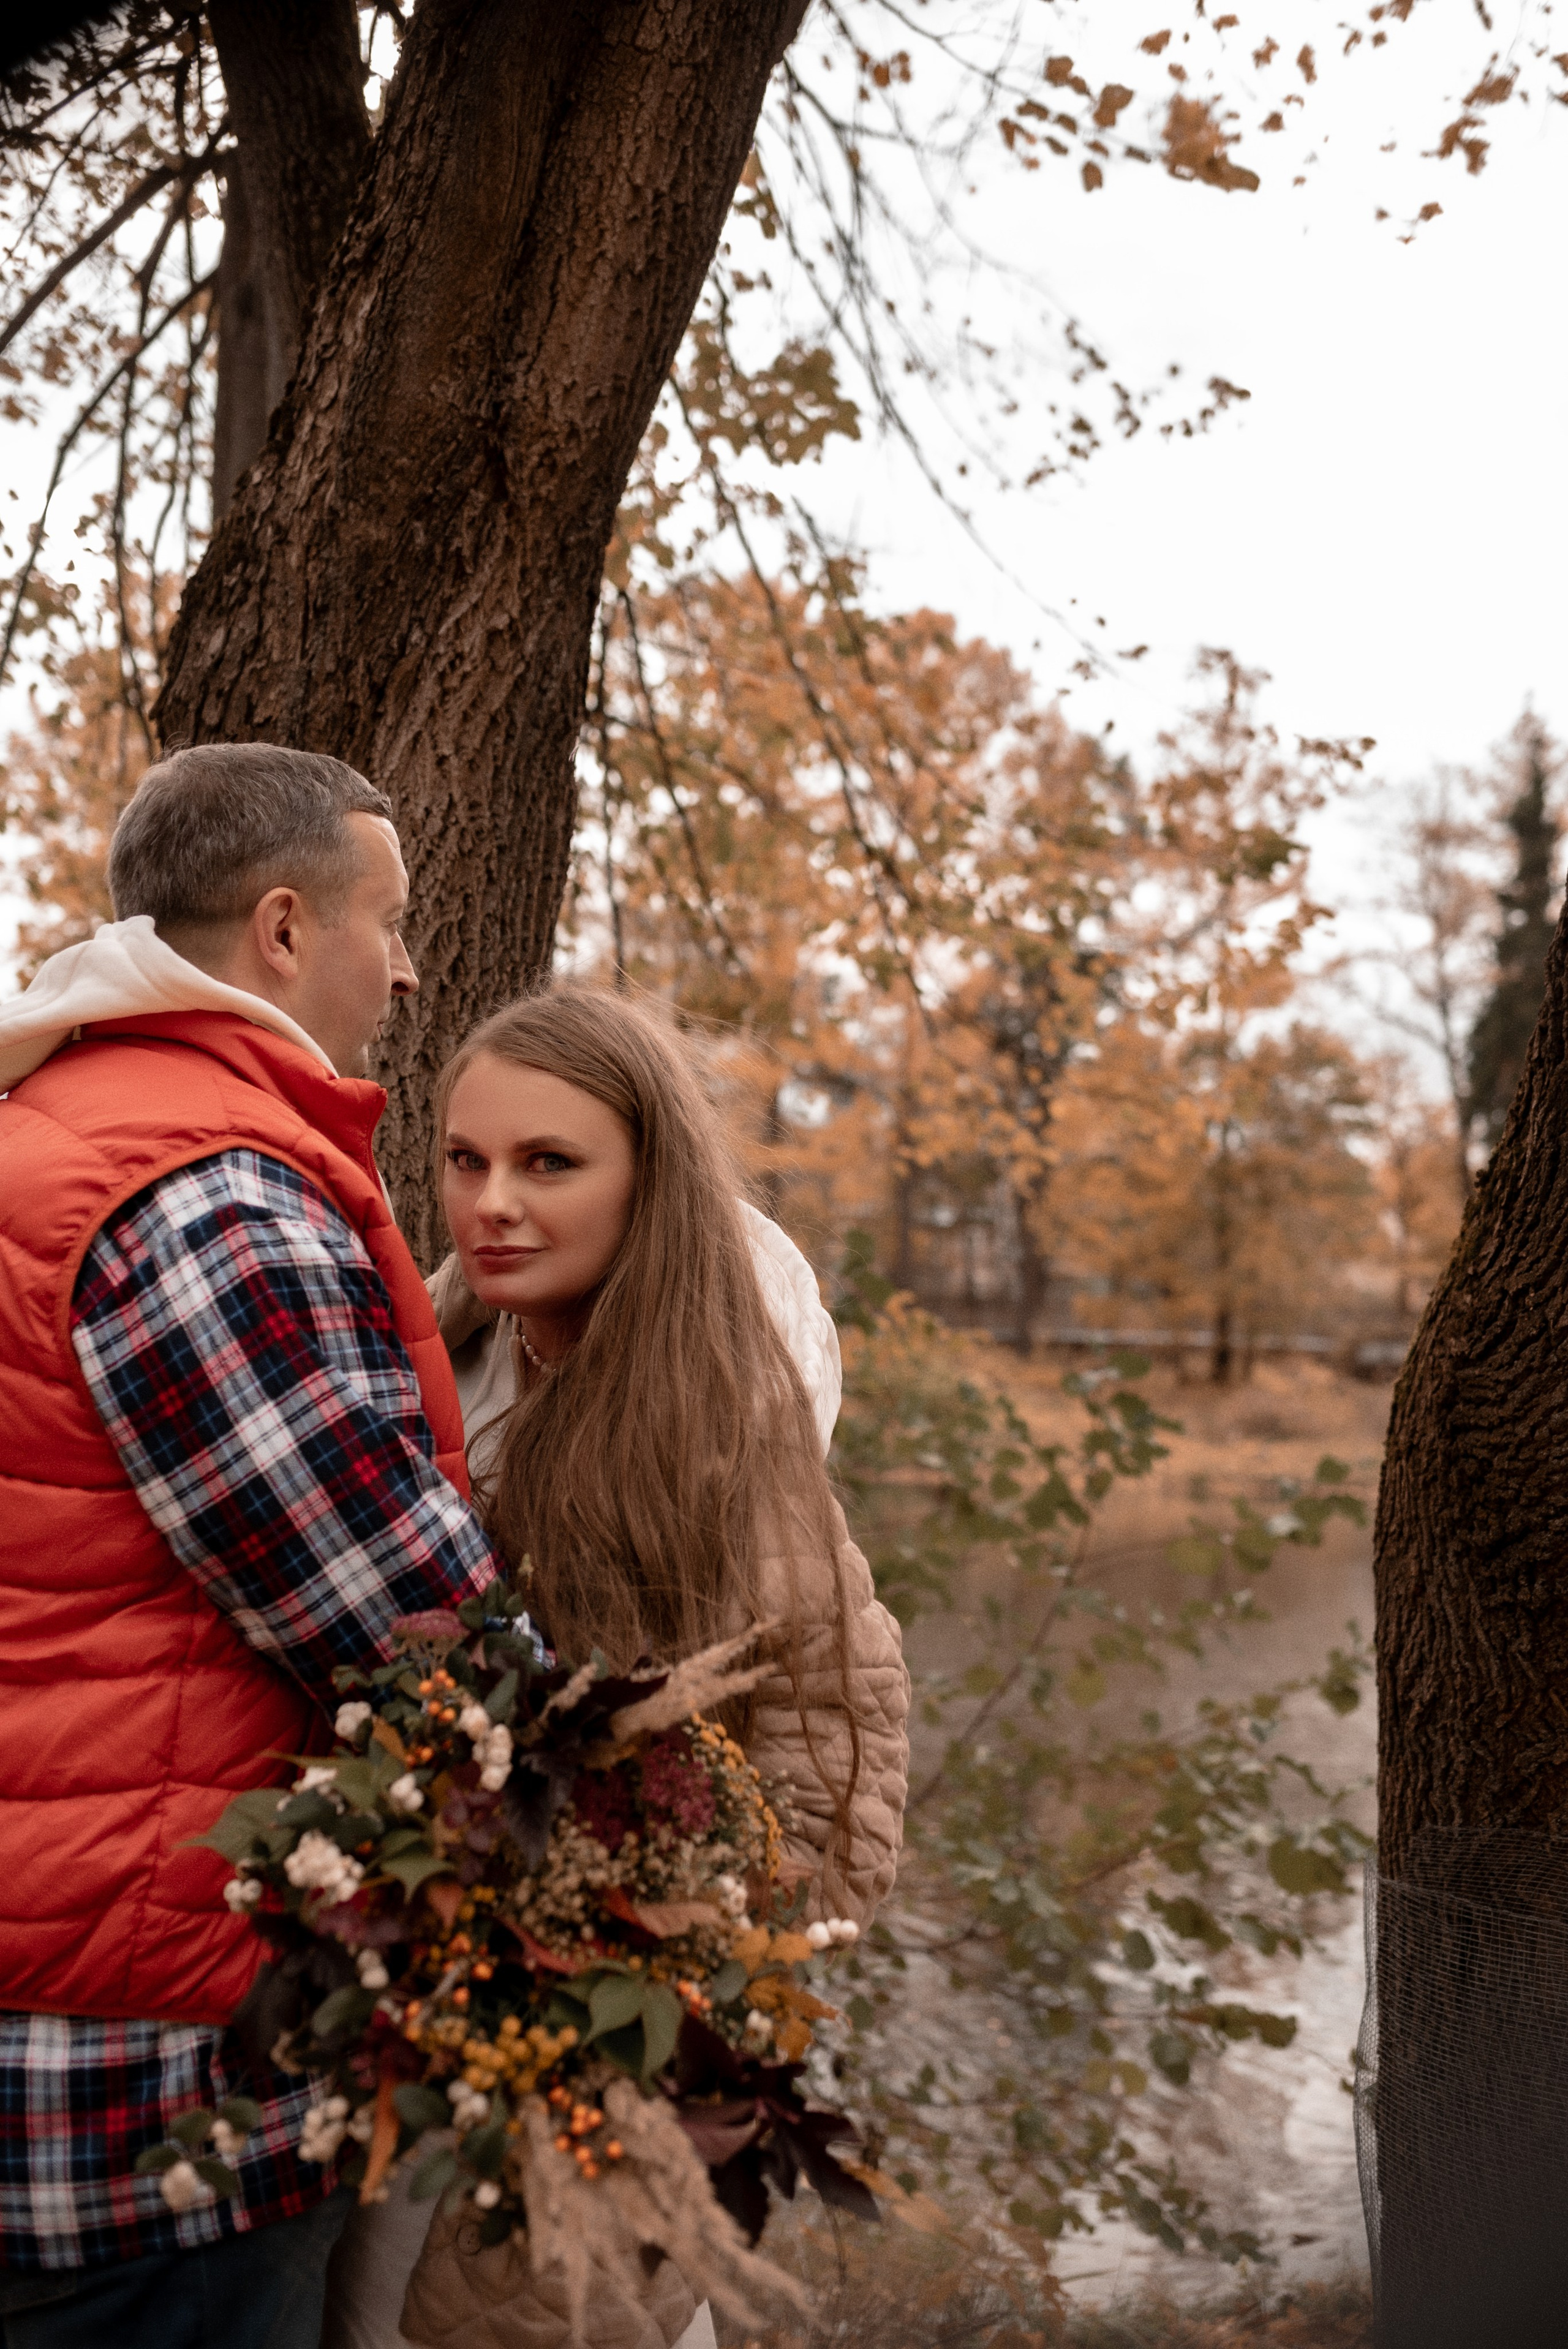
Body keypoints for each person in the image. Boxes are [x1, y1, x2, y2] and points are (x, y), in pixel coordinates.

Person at [0, 744, 508, 2349]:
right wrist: (628, 1801)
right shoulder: (206, 1194)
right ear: (285, 930)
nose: (413, 964)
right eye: (393, 916)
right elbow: (396, 1616)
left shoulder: (44, 1133)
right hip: (143, 2084)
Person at [324, 988, 910, 2349]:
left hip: (596, 2036)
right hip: (408, 2009)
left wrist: (672, 1982)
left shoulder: (712, 1418)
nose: (493, 1204)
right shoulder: (442, 1347)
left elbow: (829, 1738)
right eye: (467, 1160)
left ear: (649, 1179)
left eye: (549, 1163)